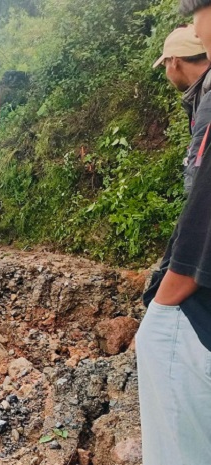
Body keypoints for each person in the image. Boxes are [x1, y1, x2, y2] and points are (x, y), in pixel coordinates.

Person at [136, 3, 211, 464]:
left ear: (173, 63)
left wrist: (169, 290)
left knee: (157, 339)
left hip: (199, 298)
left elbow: (204, 204)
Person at [154, 24, 211, 192]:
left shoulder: (209, 101)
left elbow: (200, 177)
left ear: (174, 61)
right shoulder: (202, 94)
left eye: (164, 64)